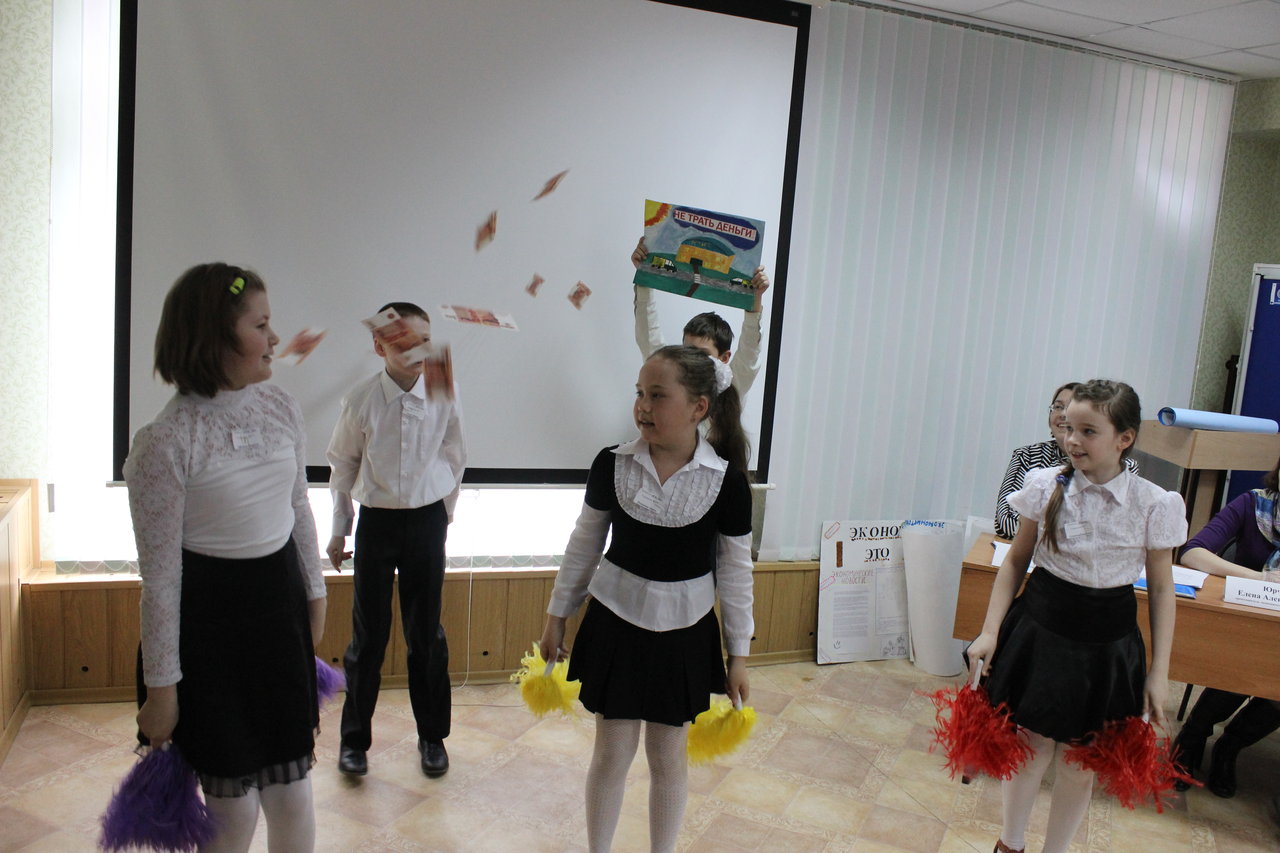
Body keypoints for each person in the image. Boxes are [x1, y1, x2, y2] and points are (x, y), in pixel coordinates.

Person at [125, 263, 328, 853]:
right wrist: (162, 690)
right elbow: (161, 581)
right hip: (210, 638)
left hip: (277, 619)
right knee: (233, 811)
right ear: (213, 337)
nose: (274, 337)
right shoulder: (165, 442)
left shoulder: (281, 407)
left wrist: (315, 593)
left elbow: (298, 506)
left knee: (293, 796)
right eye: (260, 326)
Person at [539, 345, 754, 853]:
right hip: (615, 623)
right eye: (639, 393)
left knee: (668, 756)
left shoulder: (727, 482)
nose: (643, 406)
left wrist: (739, 654)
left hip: (685, 632)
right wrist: (557, 616)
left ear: (699, 407)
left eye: (658, 396)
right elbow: (583, 545)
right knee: (611, 752)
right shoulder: (611, 464)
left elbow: (736, 573)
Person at [966, 380, 1186, 853]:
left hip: (1108, 643)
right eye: (1069, 427)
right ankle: (1010, 843)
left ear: (1124, 438)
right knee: (1031, 746)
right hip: (1043, 628)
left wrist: (1160, 672)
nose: (1072, 440)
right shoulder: (1044, 485)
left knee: (1080, 761)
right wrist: (989, 631)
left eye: (1088, 431)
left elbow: (1162, 588)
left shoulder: (1154, 503)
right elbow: (1015, 561)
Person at [326, 302, 465, 779]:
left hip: (426, 522)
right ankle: (354, 742)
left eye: (423, 340)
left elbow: (455, 452)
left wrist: (444, 513)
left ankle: (432, 737)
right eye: (402, 341)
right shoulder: (361, 398)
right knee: (368, 636)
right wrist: (340, 528)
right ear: (378, 346)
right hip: (377, 524)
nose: (416, 351)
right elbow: (343, 464)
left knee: (426, 635)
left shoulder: (442, 388)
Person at [1171, 454, 1280, 798]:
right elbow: (1192, 552)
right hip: (1244, 625)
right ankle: (1192, 737)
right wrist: (1261, 578)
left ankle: (1230, 746)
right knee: (1245, 665)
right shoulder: (1252, 504)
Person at [994, 382, 1138, 539]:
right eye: (1058, 407)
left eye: (1088, 430)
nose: (1063, 414)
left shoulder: (1123, 467)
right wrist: (1067, 533)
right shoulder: (1027, 457)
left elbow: (1115, 528)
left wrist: (1052, 530)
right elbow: (1005, 521)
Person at [630, 236, 770, 396]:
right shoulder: (670, 379)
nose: (693, 360)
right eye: (688, 351)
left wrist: (756, 296)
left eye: (703, 354)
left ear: (724, 358)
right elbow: (648, 336)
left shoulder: (732, 388)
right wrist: (645, 273)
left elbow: (750, 352)